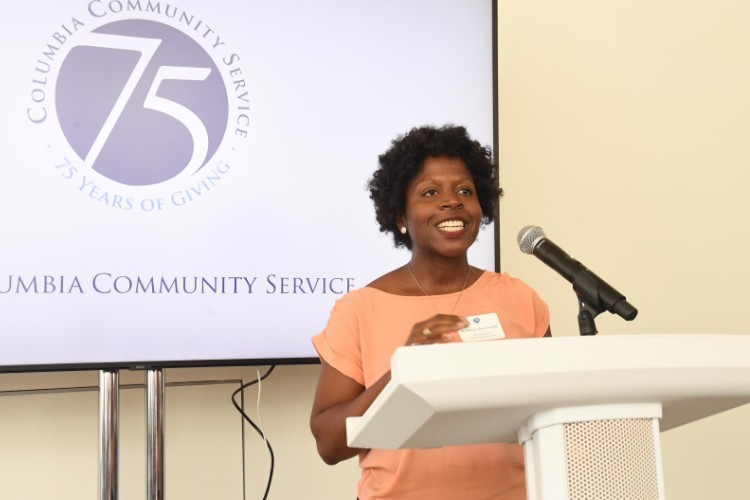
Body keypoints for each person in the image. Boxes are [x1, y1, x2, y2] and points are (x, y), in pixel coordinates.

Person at [310, 124, 551, 500]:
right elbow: (329, 444)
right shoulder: (359, 310)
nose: (451, 201)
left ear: (481, 207)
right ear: (400, 217)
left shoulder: (520, 299)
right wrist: (403, 370)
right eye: (430, 192)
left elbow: (551, 415)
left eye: (465, 191)